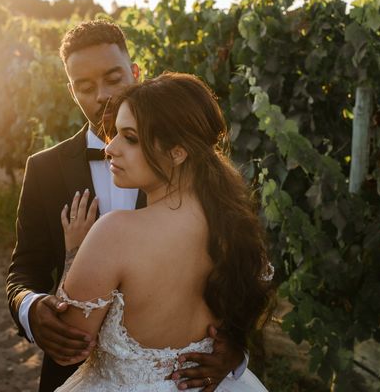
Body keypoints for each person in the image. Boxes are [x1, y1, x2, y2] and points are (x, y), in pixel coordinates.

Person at [6, 20, 247, 391]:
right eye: (85, 87)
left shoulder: (194, 177)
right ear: (72, 92)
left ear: (135, 72)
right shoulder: (45, 170)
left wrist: (233, 346)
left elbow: (232, 274)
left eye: (114, 78)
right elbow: (24, 268)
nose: (102, 96)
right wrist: (31, 307)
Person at [54, 72, 273, 391]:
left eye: (130, 137)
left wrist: (74, 251)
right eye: (115, 134)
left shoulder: (115, 233)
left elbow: (66, 347)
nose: (110, 148)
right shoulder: (232, 226)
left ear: (177, 152)